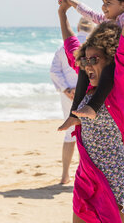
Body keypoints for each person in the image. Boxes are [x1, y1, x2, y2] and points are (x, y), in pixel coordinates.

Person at [58, 0, 124, 223]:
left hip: (113, 180)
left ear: (108, 60)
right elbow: (72, 47)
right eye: (86, 60)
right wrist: (62, 14)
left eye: (94, 60)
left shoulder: (121, 88)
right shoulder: (89, 83)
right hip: (85, 178)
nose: (88, 65)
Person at [50, 18, 94, 184]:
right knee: (90, 135)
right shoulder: (94, 46)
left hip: (69, 94)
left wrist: (66, 89)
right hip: (90, 93)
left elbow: (54, 71)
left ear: (77, 27)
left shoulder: (63, 48)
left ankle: (65, 175)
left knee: (70, 133)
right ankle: (88, 177)